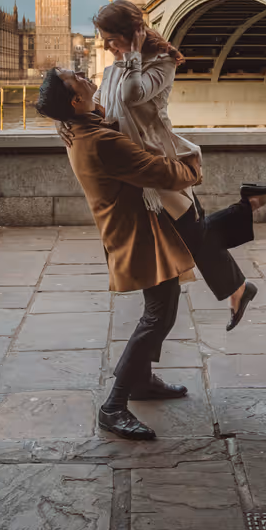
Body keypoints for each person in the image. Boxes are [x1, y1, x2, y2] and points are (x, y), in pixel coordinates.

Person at [85, 0, 266, 330]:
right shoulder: (116, 65)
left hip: (157, 163)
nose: (106, 46)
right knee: (195, 233)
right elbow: (101, 106)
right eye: (103, 39)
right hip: (138, 163)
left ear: (132, 34)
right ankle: (239, 273)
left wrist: (132, 55)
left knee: (194, 233)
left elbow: (133, 96)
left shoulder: (161, 63)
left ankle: (245, 222)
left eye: (110, 38)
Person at [36, 65, 203, 442]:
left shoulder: (81, 127)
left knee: (160, 308)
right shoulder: (99, 141)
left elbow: (103, 121)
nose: (80, 71)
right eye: (72, 76)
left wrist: (63, 119)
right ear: (76, 99)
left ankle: (141, 381)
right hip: (137, 233)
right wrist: (193, 166)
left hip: (134, 226)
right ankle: (114, 406)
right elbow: (159, 171)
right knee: (159, 316)